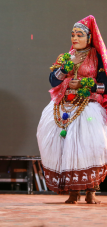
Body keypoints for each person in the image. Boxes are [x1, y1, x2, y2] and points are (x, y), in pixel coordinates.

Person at [37, 15, 107, 204]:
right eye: (72, 35)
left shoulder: (97, 57)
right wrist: (64, 70)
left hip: (88, 107)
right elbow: (53, 80)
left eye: (79, 35)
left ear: (89, 38)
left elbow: (105, 85)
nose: (74, 38)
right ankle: (73, 192)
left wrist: (85, 84)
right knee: (63, 147)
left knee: (91, 146)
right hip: (64, 107)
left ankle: (91, 191)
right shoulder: (66, 57)